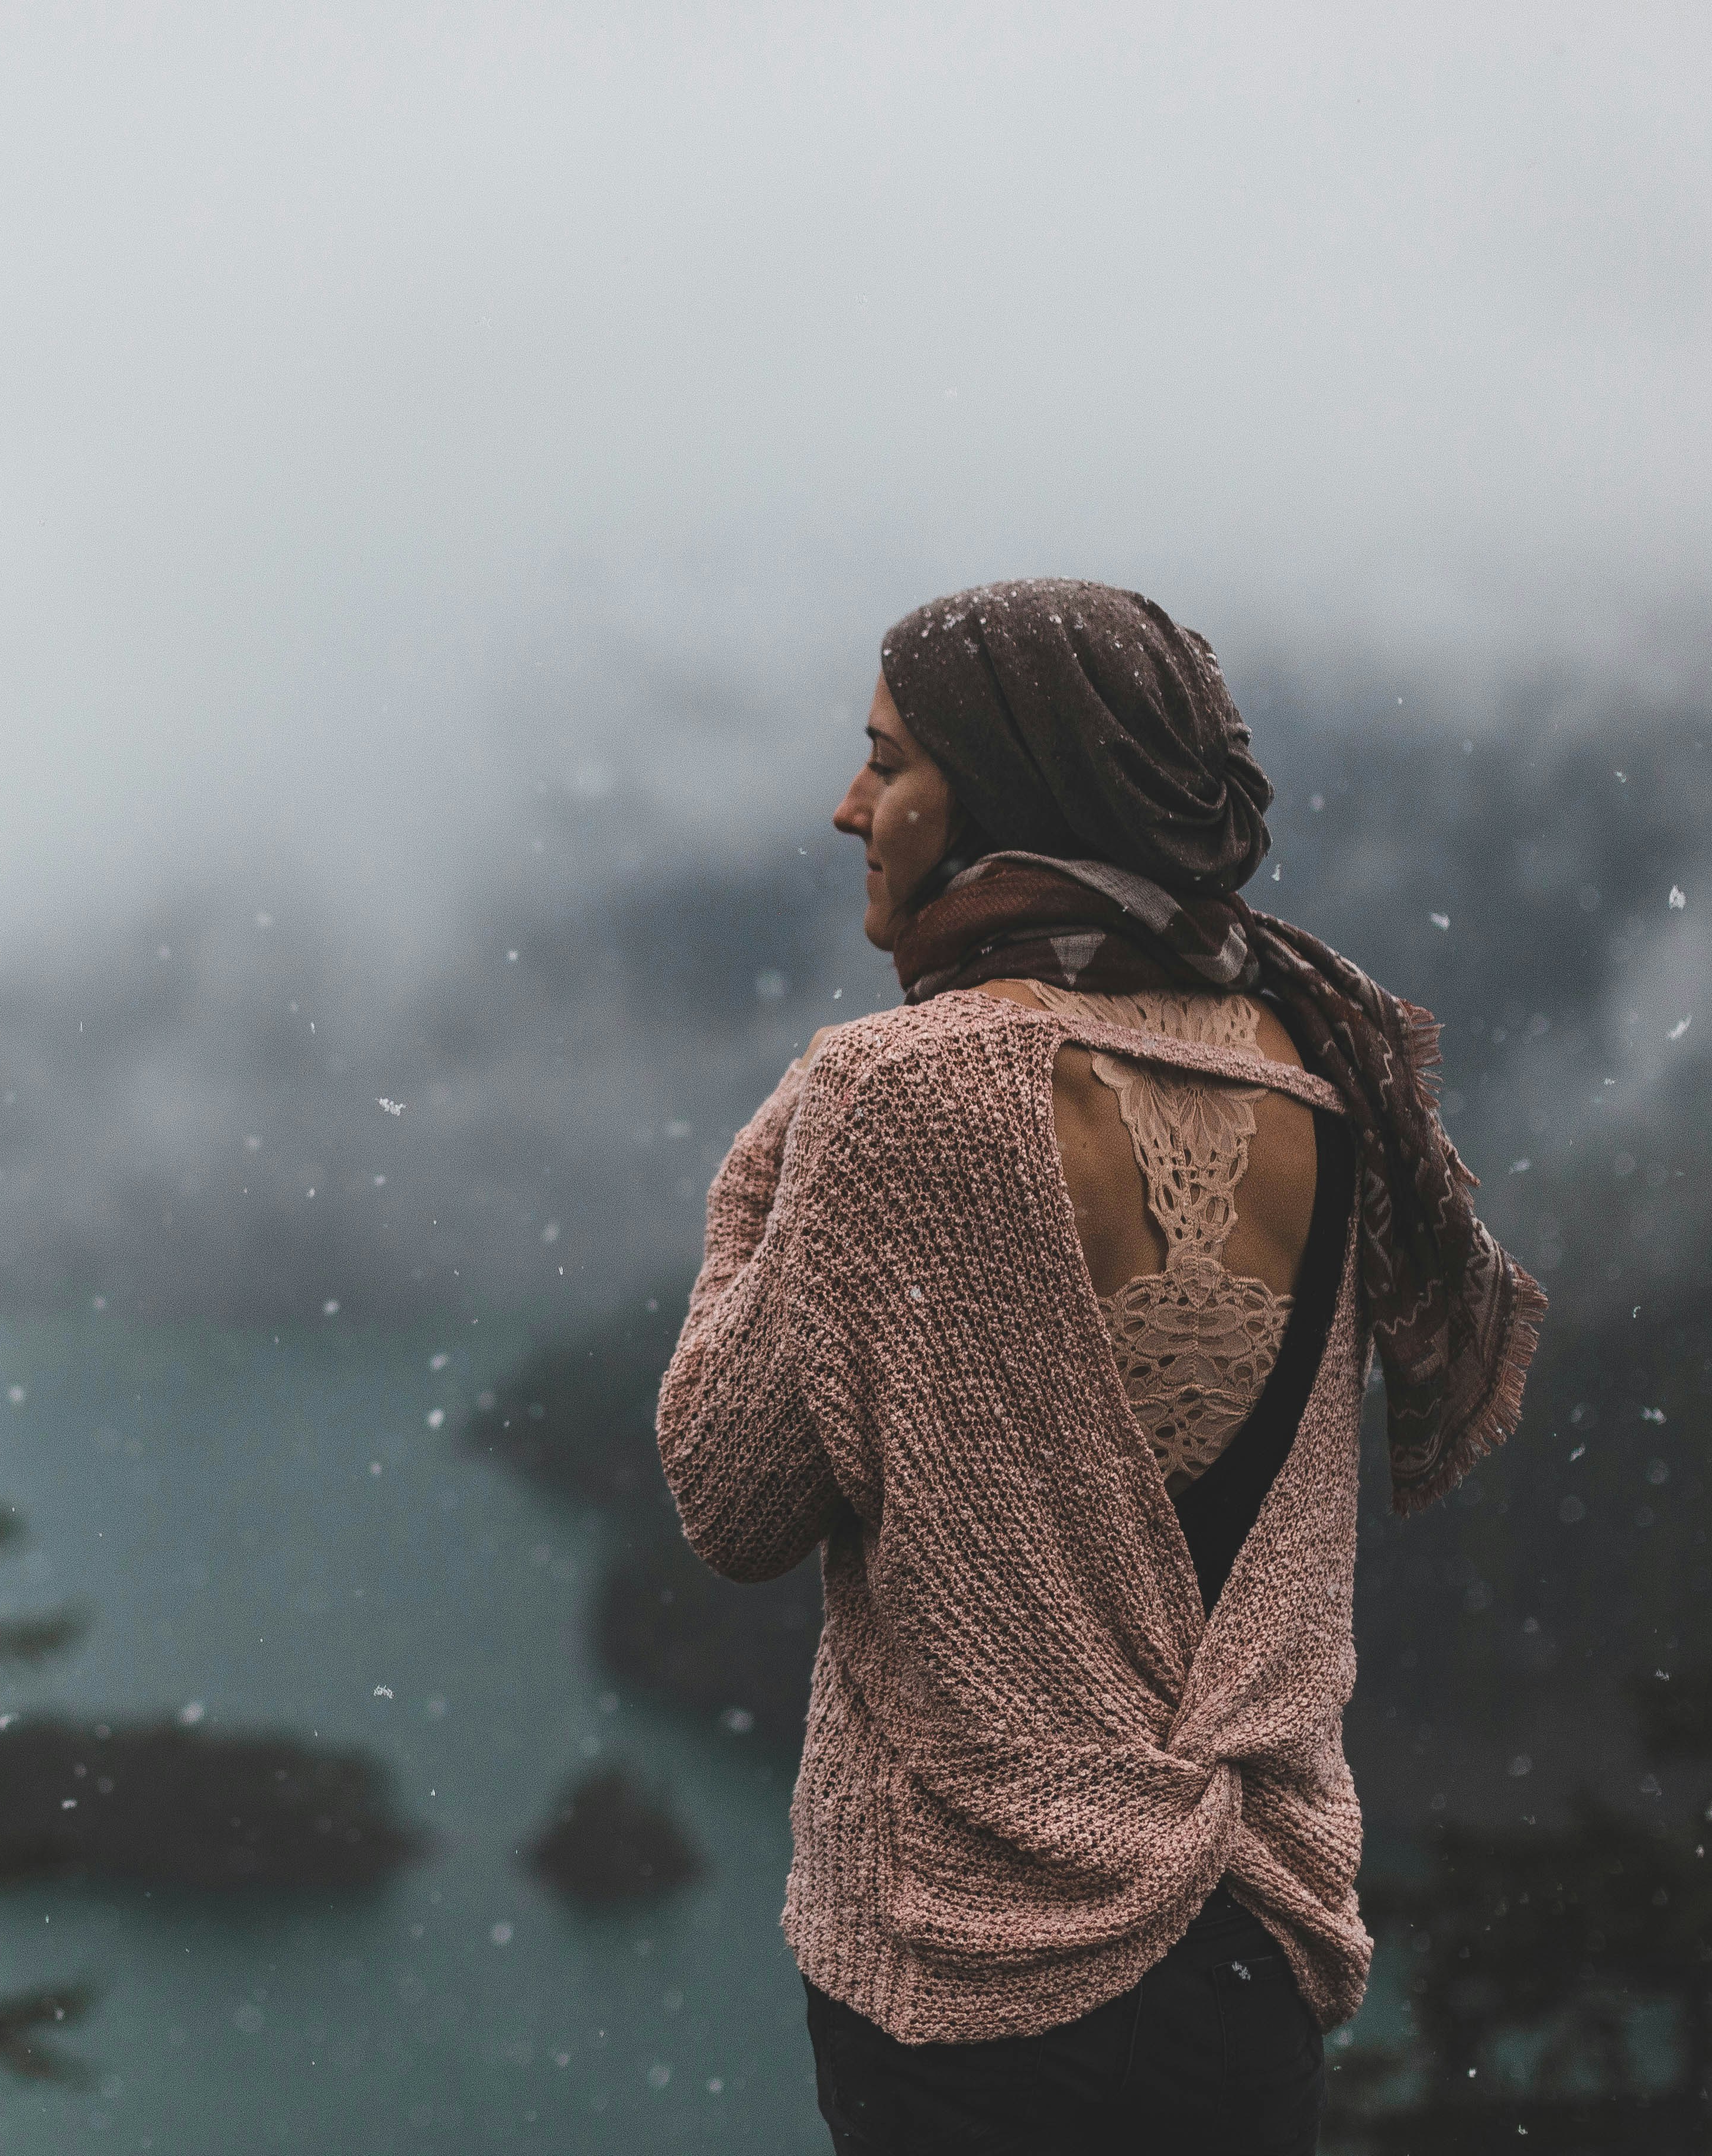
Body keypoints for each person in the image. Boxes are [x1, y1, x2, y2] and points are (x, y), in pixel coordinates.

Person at [656, 579, 1544, 2156]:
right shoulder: (1327, 1076)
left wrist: (751, 1194)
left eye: (888, 763)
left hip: (970, 1957)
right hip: (1247, 1938)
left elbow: (733, 1499)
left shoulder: (902, 1088)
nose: (847, 805)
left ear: (1006, 794)